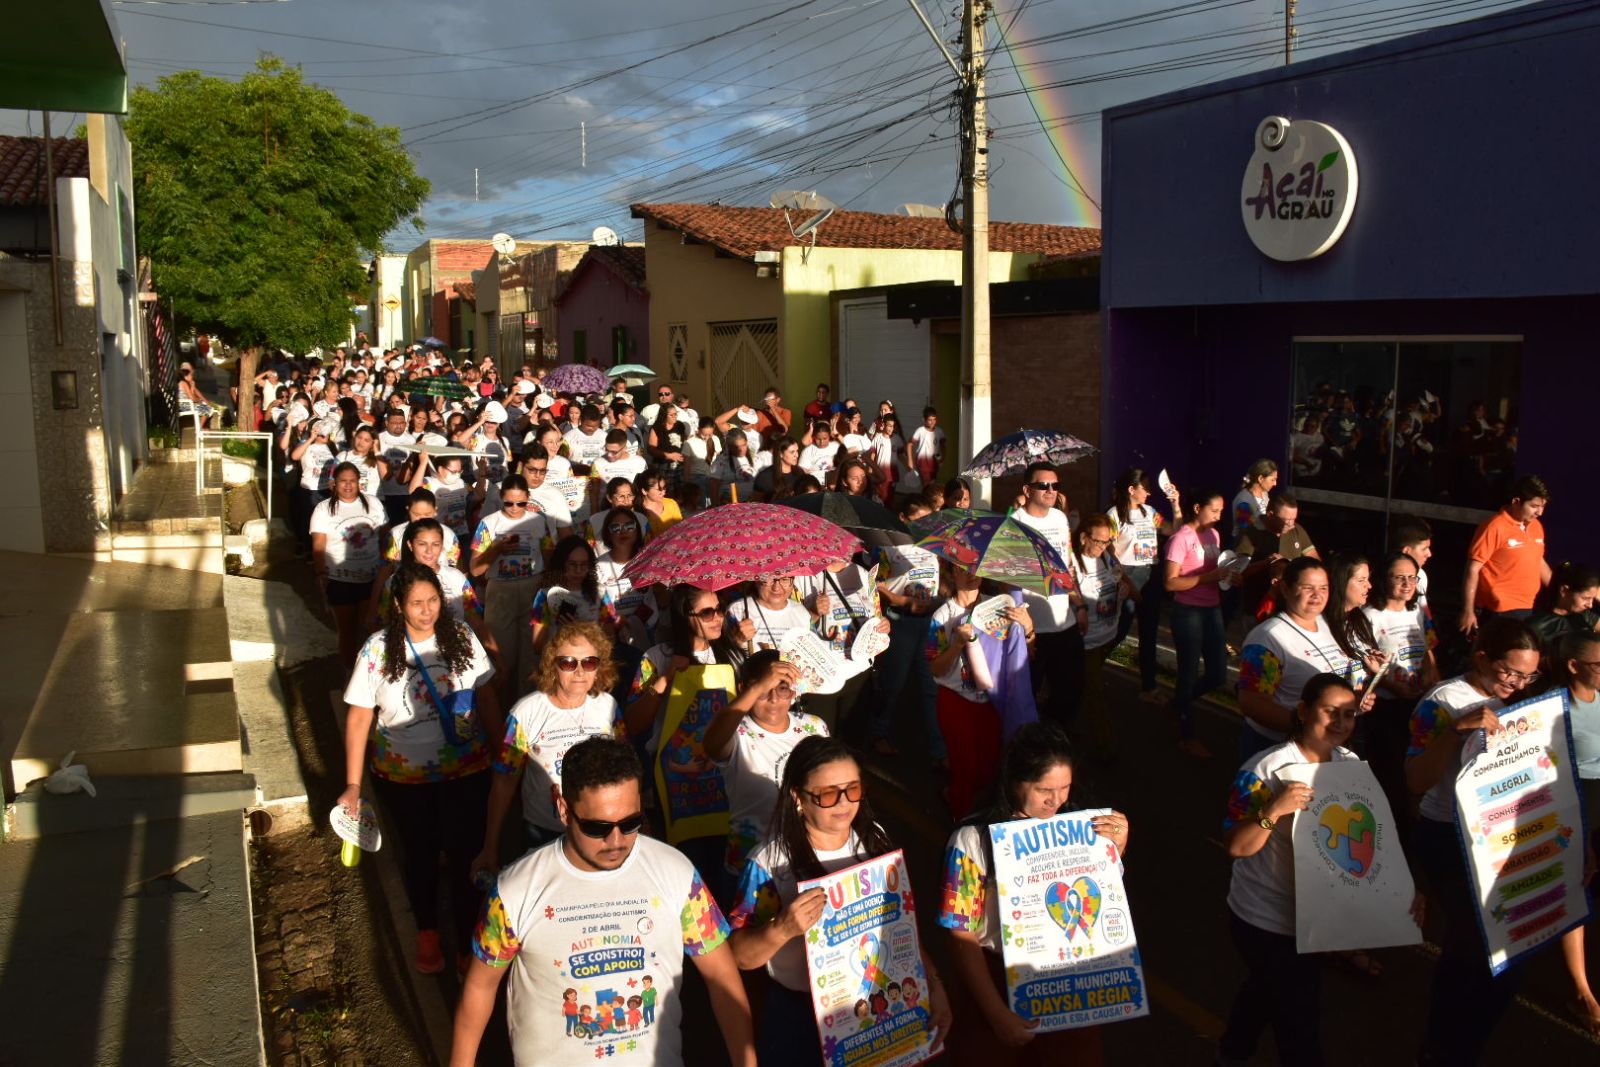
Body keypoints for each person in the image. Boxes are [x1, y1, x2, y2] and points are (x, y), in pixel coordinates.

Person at [454, 737, 756, 1067]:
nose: (616, 841)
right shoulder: (515, 890)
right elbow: (480, 987)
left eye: (630, 823)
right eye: (597, 827)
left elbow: (722, 977)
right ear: (563, 808)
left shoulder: (678, 874)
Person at [1219, 673, 1415, 1064]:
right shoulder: (1266, 769)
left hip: (1316, 918)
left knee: (1266, 993)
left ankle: (1230, 1054)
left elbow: (1368, 838)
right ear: (1304, 710)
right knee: (1299, 1024)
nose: (1340, 723)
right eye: (1330, 712)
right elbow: (1236, 847)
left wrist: (1403, 888)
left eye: (1349, 714)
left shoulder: (1349, 764)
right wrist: (1273, 810)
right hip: (1266, 920)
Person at [728, 736, 951, 1066]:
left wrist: (932, 983)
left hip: (881, 1002)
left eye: (853, 789)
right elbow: (739, 956)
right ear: (798, 797)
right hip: (801, 1018)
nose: (844, 803)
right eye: (829, 794)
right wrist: (782, 929)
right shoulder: (769, 864)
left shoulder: (873, 839)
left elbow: (899, 924)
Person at [341, 562, 502, 975]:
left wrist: (504, 751)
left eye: (433, 601)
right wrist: (353, 785)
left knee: (466, 855)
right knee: (420, 855)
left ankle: (467, 941)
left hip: (467, 770)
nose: (427, 610)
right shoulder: (377, 649)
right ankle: (427, 931)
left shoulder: (461, 636)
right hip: (403, 779)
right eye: (416, 603)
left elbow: (485, 697)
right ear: (398, 605)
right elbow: (359, 718)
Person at [939, 722, 1129, 1065]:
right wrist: (996, 1013)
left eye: (1065, 787)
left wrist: (1117, 847)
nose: (1056, 800)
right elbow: (960, 931)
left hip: (1070, 980)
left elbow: (1103, 894)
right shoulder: (972, 839)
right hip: (996, 980)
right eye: (1044, 790)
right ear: (1015, 781)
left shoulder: (1084, 827)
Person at [1406, 619, 1542, 1063]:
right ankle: (1442, 1048)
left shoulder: (1515, 701)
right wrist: (1454, 731)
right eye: (1511, 672)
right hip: (1447, 835)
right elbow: (1415, 780)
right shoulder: (1443, 701)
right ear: (1482, 658)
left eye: (1528, 676)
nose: (1517, 683)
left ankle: (1453, 1048)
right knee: (1478, 949)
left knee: (1492, 956)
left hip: (1497, 838)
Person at [475, 621, 621, 876]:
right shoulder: (525, 713)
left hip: (600, 830)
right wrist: (490, 847)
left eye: (589, 662)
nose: (579, 671)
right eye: (568, 663)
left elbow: (624, 772)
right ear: (553, 665)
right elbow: (504, 783)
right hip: (543, 834)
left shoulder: (609, 707)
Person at [1237, 557, 1373, 765]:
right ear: (1285, 589)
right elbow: (1252, 703)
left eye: (1323, 588)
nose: (1317, 595)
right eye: (1308, 588)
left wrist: (1353, 700)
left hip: (1323, 745)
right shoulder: (1268, 638)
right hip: (1277, 749)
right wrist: (1305, 724)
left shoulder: (1329, 624)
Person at [927, 559, 1036, 817]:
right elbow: (935, 668)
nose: (971, 574)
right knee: (966, 766)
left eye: (976, 568)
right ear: (951, 573)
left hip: (991, 700)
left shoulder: (999, 607)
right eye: (962, 568)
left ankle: (973, 807)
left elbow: (1026, 653)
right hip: (955, 700)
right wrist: (957, 644)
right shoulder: (941, 616)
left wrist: (1028, 628)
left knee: (989, 765)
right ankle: (962, 818)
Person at [702, 650, 822, 875]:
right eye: (764, 689)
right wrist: (757, 688)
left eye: (783, 688)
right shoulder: (736, 732)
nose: (774, 698)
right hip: (752, 864)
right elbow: (712, 744)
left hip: (808, 856)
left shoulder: (815, 726)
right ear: (743, 689)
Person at [1360, 551, 1437, 837]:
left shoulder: (1418, 610)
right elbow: (1363, 663)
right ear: (1384, 579)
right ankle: (1389, 832)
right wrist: (1394, 686)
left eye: (1412, 578)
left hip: (1417, 702)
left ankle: (1412, 829)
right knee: (1390, 775)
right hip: (1386, 708)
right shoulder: (1370, 615)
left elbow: (1429, 648)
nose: (1407, 584)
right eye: (1399, 578)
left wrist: (1431, 676)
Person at [869, 497, 945, 765]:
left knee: (932, 686)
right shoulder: (887, 545)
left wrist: (939, 599)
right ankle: (878, 733)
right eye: (919, 521)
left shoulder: (934, 544)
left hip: (931, 623)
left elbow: (940, 580)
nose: (925, 526)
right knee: (893, 684)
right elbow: (875, 584)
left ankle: (939, 750)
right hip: (900, 622)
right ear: (902, 518)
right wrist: (903, 601)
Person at [1011, 462, 1086, 730]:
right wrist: (1022, 625)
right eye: (1043, 485)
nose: (1051, 490)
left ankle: (1055, 739)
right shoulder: (1014, 523)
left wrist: (1079, 605)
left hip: (1064, 622)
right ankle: (1029, 744)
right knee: (1026, 696)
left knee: (1070, 691)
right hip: (1032, 629)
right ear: (1027, 490)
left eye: (1055, 485)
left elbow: (1068, 564)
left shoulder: (1060, 518)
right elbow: (1005, 579)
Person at [1553, 630, 1600, 1034]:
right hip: (1576, 802)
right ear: (1574, 665)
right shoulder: (1554, 710)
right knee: (1576, 890)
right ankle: (1582, 992)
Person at [470, 475, 551, 701]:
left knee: (531, 657)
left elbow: (549, 557)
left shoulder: (539, 521)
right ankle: (500, 710)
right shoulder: (488, 523)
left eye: (521, 503)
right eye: (509, 503)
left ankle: (528, 707)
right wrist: (497, 549)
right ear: (500, 498)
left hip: (533, 588)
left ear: (528, 498)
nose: (515, 508)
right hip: (500, 590)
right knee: (501, 657)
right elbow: (475, 568)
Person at [1163, 488, 1228, 758]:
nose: (1219, 516)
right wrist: (1207, 578)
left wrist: (1229, 576)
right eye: (1214, 510)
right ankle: (1187, 736)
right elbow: (1170, 582)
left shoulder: (1214, 534)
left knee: (1218, 674)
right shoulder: (1181, 538)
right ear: (1198, 508)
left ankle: (1177, 703)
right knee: (1188, 673)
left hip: (1212, 609)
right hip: (1187, 611)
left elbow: (1216, 573)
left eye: (1221, 511)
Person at [1107, 468, 1175, 702]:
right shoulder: (1114, 515)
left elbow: (1173, 530)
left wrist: (1175, 504)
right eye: (1145, 487)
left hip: (1151, 574)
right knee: (1120, 629)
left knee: (1149, 632)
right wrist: (1125, 581)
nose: (1149, 492)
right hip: (1127, 575)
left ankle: (1149, 687)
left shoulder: (1150, 512)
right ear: (1131, 489)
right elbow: (1108, 551)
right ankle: (1090, 666)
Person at [1070, 513, 1133, 762]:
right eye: (1098, 541)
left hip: (1108, 636)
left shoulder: (1107, 557)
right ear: (1084, 537)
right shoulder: (1073, 564)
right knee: (1094, 693)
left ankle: (1066, 723)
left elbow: (1116, 581)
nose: (1103, 546)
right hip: (1087, 641)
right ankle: (1105, 747)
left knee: (1083, 687)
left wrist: (1122, 590)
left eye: (1107, 541)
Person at [311, 462, 386, 668]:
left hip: (370, 578)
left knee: (370, 627)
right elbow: (319, 545)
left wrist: (385, 566)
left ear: (359, 482)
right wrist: (321, 574)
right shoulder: (323, 509)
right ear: (334, 483)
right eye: (343, 481)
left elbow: (385, 536)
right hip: (339, 579)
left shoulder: (373, 503)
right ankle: (349, 671)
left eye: (352, 481)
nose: (348, 485)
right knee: (347, 630)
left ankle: (370, 671)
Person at [1460, 474, 1552, 636]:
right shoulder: (1494, 527)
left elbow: (1538, 560)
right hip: (1500, 609)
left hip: (1529, 606)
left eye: (1543, 506)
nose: (1540, 512)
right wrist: (1468, 610)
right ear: (1516, 501)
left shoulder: (1536, 526)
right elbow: (1473, 568)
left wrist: (1557, 591)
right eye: (1534, 506)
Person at [1235, 494, 1318, 619]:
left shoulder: (1297, 530)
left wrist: (1290, 564)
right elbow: (1239, 572)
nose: (1291, 524)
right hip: (1257, 608)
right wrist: (1266, 562)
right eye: (1286, 520)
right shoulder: (1251, 533)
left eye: (1294, 519)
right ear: (1270, 514)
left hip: (1290, 610)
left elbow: (1315, 562)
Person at [1528, 561, 1600, 657]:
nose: (1590, 605)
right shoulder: (1537, 625)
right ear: (1564, 590)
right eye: (1585, 598)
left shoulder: (1584, 615)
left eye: (1593, 599)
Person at [728, 575, 816, 653]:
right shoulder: (737, 609)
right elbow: (724, 652)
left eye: (784, 579)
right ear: (756, 580)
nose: (776, 588)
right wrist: (738, 640)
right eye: (769, 579)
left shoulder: (801, 612)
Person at [386, 487, 462, 568]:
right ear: (408, 509)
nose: (422, 519)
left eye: (427, 514)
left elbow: (455, 565)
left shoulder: (448, 535)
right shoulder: (395, 534)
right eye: (416, 514)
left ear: (435, 511)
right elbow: (387, 566)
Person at [335, 424, 389, 499]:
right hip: (348, 501)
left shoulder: (378, 458)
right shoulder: (342, 456)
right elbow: (332, 481)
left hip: (372, 501)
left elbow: (386, 476)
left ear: (373, 443)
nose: (361, 442)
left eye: (366, 440)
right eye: (359, 437)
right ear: (355, 437)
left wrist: (376, 450)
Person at [1232, 459, 1278, 537]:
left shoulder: (1264, 494)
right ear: (1261, 479)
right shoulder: (1244, 501)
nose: (1275, 484)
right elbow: (1245, 529)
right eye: (1272, 480)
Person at [752, 438, 803, 502]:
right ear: (780, 454)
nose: (797, 455)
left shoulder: (800, 473)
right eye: (792, 452)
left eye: (797, 451)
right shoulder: (765, 477)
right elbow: (755, 502)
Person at [636, 469, 683, 533]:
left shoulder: (671, 504)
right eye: (659, 490)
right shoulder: (637, 513)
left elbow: (681, 528)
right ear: (644, 491)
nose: (663, 492)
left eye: (664, 488)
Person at [910, 406, 945, 488]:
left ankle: (928, 495)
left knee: (932, 484)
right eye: (930, 420)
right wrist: (910, 461)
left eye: (934, 419)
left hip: (934, 462)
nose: (932, 422)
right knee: (926, 485)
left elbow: (943, 445)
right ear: (924, 420)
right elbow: (910, 444)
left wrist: (942, 458)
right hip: (922, 462)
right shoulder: (920, 431)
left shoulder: (939, 431)